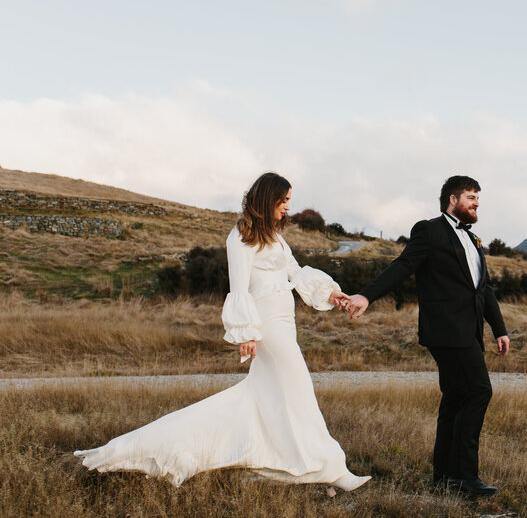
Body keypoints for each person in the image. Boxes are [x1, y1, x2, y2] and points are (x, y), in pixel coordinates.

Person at [75, 172, 370, 493]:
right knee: (299, 390)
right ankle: (332, 470)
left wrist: (331, 294)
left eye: (288, 201)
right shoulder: (241, 235)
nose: (287, 207)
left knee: (263, 399)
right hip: (267, 325)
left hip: (285, 322)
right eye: (282, 200)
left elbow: (296, 274)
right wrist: (246, 332)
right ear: (266, 198)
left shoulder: (275, 237)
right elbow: (239, 288)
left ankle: (295, 467)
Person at [347, 175, 510, 497]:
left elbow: (483, 289)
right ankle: (464, 476)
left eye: (478, 198)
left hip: (470, 331)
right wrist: (366, 296)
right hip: (447, 330)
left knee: (455, 398)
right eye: (471, 197)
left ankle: (445, 477)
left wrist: (499, 329)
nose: (477, 204)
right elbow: (403, 265)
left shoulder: (474, 241)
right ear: (453, 199)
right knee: (479, 392)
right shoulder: (430, 230)